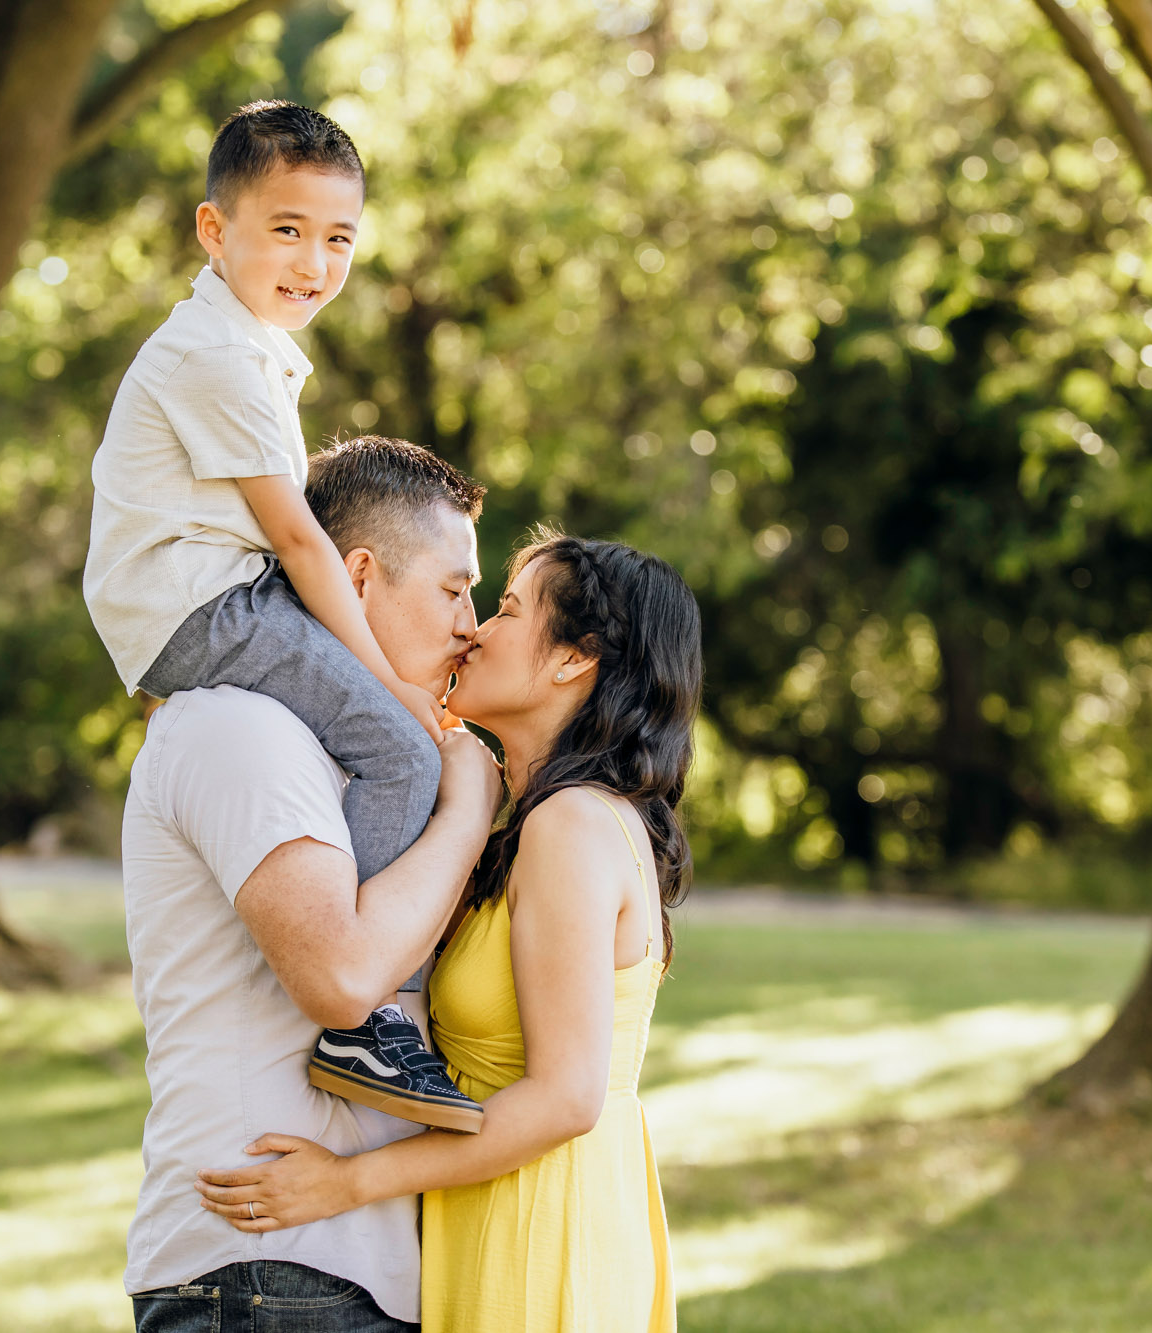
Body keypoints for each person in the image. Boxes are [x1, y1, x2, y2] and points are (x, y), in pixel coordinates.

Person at [84, 101, 482, 1130]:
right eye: (287, 230)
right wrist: (396, 692)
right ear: (215, 231)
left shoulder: (248, 341)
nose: (313, 261)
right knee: (400, 754)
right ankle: (363, 1011)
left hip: (218, 588)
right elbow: (304, 544)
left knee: (376, 736)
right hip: (201, 607)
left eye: (338, 237)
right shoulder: (214, 355)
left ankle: (363, 977)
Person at [196, 532, 701, 1333]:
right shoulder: (544, 820)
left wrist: (347, 1181)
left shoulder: (571, 824)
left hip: (538, 1224)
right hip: (504, 1203)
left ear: (575, 659)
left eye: (504, 608)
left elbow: (568, 1096)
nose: (474, 630)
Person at [120, 437, 501, 1331]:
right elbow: (338, 979)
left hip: (344, 1264)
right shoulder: (245, 728)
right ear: (358, 576)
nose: (471, 623)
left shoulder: (356, 758)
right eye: (454, 588)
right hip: (266, 1270)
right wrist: (468, 812)